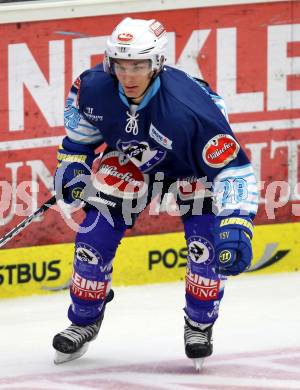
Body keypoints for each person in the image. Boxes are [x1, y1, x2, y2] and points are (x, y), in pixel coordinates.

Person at [53, 17, 258, 368]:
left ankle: (199, 323)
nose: (128, 75)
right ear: (110, 62)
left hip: (192, 163)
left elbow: (233, 169)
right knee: (92, 238)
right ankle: (83, 319)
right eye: (121, 64)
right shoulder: (92, 87)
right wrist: (73, 166)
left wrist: (237, 221)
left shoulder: (192, 111)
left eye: (139, 65)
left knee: (205, 245)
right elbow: (80, 140)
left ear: (157, 64)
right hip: (133, 156)